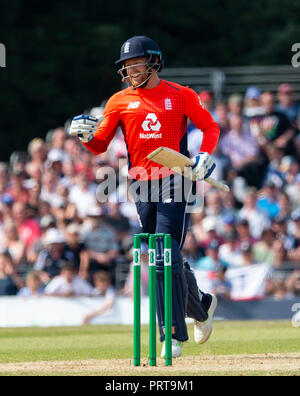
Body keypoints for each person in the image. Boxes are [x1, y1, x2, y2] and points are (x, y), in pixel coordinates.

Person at [69, 35, 220, 358]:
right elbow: (99, 144)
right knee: (168, 255)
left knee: (164, 252)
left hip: (176, 178)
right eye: (126, 65)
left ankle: (173, 334)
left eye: (136, 62)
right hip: (140, 185)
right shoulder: (118, 101)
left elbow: (210, 128)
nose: (131, 69)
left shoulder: (181, 95)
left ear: (154, 61)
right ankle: (202, 304)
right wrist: (85, 137)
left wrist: (205, 154)